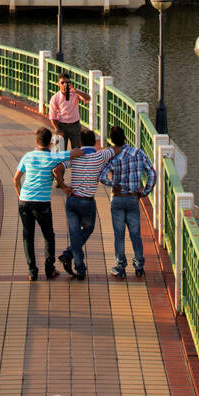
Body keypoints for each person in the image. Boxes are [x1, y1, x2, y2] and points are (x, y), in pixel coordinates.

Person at [14, 127, 82, 282]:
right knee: (48, 235)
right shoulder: (54, 157)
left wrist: (21, 197)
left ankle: (32, 272)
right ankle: (49, 269)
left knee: (28, 236)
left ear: (36, 141)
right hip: (42, 203)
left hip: (24, 201)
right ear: (50, 143)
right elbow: (76, 152)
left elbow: (15, 180)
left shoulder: (27, 156)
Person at [53, 128, 115, 280]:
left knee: (75, 234)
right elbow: (115, 149)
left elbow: (56, 170)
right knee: (88, 228)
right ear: (94, 142)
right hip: (87, 201)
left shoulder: (74, 156)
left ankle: (79, 267)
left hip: (72, 199)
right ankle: (70, 256)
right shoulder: (100, 155)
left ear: (80, 142)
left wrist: (64, 186)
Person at [101, 125, 156, 279]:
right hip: (133, 198)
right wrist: (144, 192)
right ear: (125, 137)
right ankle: (139, 265)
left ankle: (120, 267)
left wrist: (113, 185)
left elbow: (102, 176)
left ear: (112, 140)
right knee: (135, 233)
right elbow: (152, 173)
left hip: (118, 199)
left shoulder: (113, 156)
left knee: (119, 234)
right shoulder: (138, 153)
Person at [48, 72, 90, 150]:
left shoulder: (75, 92)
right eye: (62, 82)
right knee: (60, 152)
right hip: (61, 126)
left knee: (77, 150)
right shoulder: (55, 98)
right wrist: (57, 129)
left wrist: (77, 92)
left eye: (67, 82)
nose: (65, 84)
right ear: (58, 84)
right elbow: (52, 116)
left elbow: (88, 98)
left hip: (75, 126)